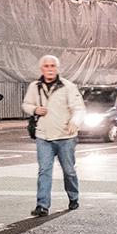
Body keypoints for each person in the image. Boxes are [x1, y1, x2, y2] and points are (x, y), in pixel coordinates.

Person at [22, 55, 85, 216]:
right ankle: (42, 205)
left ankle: (73, 197)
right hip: (44, 136)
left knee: (69, 171)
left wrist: (74, 122)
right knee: (44, 171)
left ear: (57, 68)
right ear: (41, 69)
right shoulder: (34, 87)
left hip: (65, 136)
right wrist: (35, 109)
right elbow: (26, 104)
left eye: (52, 66)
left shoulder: (68, 86)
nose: (49, 69)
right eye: (46, 66)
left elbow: (79, 108)